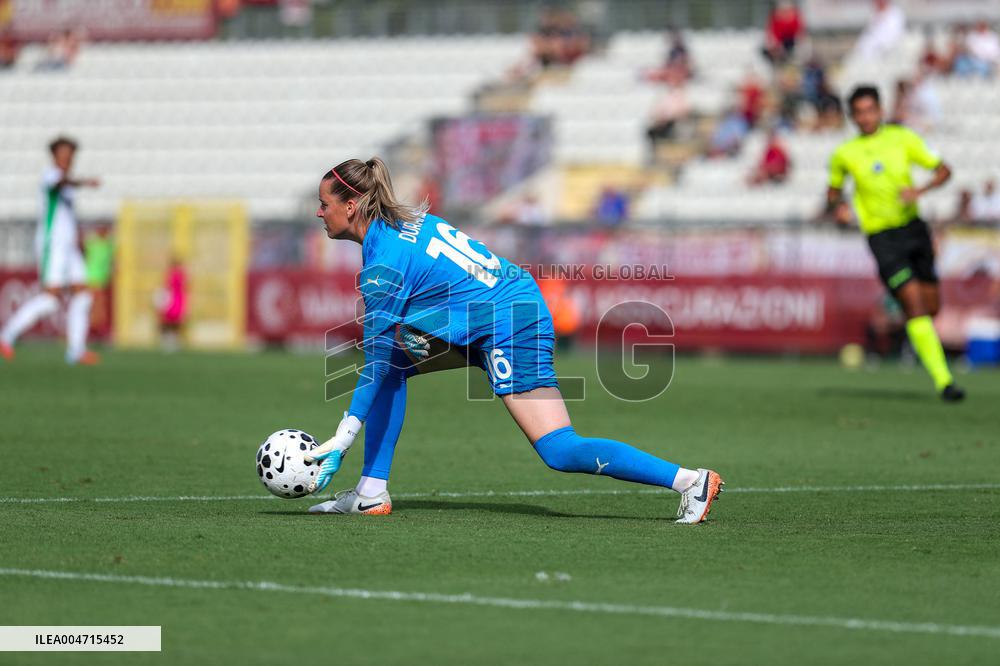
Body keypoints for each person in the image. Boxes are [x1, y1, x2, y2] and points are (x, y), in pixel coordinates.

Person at [302, 157, 724, 523]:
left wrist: (343, 436)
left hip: (510, 322)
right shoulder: (406, 224)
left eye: (325, 204)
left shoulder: (384, 262)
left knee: (559, 449)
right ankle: (371, 493)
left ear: (352, 204)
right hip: (488, 315)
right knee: (394, 363)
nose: (320, 214)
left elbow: (372, 361)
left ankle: (691, 481)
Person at [826, 86, 963, 401]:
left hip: (914, 231)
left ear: (880, 109)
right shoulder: (845, 154)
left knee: (931, 306)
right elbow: (833, 192)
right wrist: (840, 208)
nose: (865, 117)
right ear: (852, 116)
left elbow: (944, 171)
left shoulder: (902, 138)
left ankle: (916, 336)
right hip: (882, 239)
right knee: (914, 303)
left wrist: (922, 191)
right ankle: (945, 382)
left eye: (870, 110)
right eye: (858, 112)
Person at [1, 137, 101, 364]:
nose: (67, 159)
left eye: (70, 155)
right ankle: (6, 335)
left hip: (68, 247)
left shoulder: (66, 182)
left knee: (83, 294)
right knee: (50, 299)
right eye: (63, 154)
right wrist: (84, 183)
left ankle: (76, 350)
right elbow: (59, 184)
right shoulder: (50, 175)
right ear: (54, 156)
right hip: (52, 245)